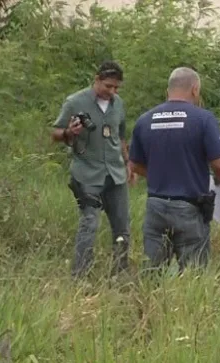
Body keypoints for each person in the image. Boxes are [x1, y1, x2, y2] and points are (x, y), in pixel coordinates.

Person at [128, 67, 220, 272]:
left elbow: (135, 164)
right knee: (194, 273)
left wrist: (157, 174)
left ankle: (150, 303)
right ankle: (188, 304)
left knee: (153, 273)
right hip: (189, 207)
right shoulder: (203, 119)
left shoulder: (145, 120)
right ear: (195, 90)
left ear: (168, 91)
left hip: (155, 206)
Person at [52, 60, 134, 279]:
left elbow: (120, 136)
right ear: (96, 80)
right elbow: (56, 133)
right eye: (108, 86)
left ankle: (119, 273)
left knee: (122, 226)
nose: (112, 91)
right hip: (87, 174)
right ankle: (80, 275)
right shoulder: (75, 102)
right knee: (90, 224)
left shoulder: (119, 104)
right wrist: (69, 132)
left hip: (115, 174)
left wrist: (128, 163)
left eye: (116, 87)